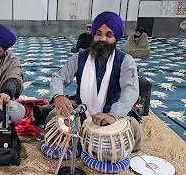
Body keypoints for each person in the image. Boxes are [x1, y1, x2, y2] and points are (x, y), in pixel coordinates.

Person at [48, 11, 142, 151]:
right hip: (81, 110)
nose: (102, 39)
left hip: (113, 113)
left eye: (109, 35)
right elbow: (59, 78)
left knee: (134, 129)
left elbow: (131, 90)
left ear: (116, 38)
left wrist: (113, 114)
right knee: (53, 116)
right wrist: (58, 95)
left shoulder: (125, 61)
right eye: (98, 33)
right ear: (93, 35)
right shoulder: (79, 57)